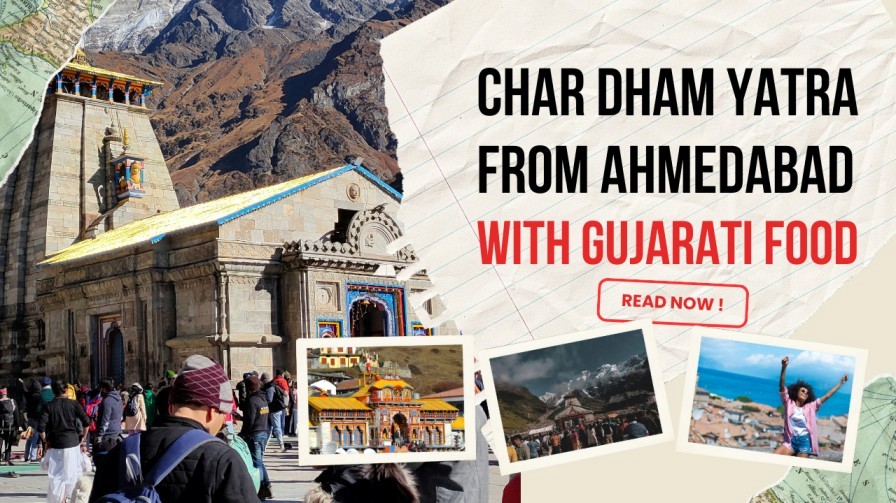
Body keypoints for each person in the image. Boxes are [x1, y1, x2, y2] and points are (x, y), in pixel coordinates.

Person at [89, 355, 259, 502]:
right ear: (212, 412)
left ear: (171, 407)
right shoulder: (222, 459)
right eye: (223, 417)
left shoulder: (118, 454)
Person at [773, 356, 848, 458]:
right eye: (803, 391)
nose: (805, 393)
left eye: (807, 393)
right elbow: (782, 386)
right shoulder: (788, 403)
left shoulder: (811, 407)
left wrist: (841, 382)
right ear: (796, 392)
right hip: (789, 441)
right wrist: (784, 367)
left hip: (804, 442)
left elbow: (827, 396)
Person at [39, 380, 91, 503]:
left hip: (56, 445)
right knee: (71, 475)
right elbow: (86, 422)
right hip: (72, 444)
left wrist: (45, 441)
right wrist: (83, 438)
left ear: (53, 392)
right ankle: (70, 498)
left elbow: (41, 428)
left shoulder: (49, 406)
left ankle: (61, 499)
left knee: (57, 477)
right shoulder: (74, 404)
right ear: (66, 390)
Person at [240, 375, 273, 500]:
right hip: (263, 432)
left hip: (255, 434)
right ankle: (266, 485)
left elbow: (250, 420)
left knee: (257, 462)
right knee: (259, 461)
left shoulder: (252, 400)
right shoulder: (263, 399)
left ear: (248, 388)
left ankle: (261, 489)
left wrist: (242, 433)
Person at [94, 379, 123, 455]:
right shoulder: (118, 399)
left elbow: (105, 421)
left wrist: (99, 436)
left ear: (104, 389)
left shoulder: (107, 401)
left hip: (107, 436)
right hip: (117, 434)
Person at [261, 373, 286, 452]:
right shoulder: (271, 386)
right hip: (273, 410)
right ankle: (264, 447)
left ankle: (281, 446)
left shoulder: (269, 388)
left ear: (264, 380)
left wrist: (262, 406)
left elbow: (269, 400)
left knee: (276, 428)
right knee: (269, 428)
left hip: (274, 410)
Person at [0, 387, 22, 467]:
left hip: (0, 426)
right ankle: (7, 460)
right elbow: (16, 414)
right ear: (6, 392)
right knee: (8, 443)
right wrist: (18, 425)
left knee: (0, 442)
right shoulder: (12, 401)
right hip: (10, 425)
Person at [24, 379, 43, 462]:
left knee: (29, 438)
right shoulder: (39, 396)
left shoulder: (29, 395)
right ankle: (33, 457)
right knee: (35, 437)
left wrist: (22, 384)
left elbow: (24, 391)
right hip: (36, 419)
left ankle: (26, 456)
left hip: (30, 418)